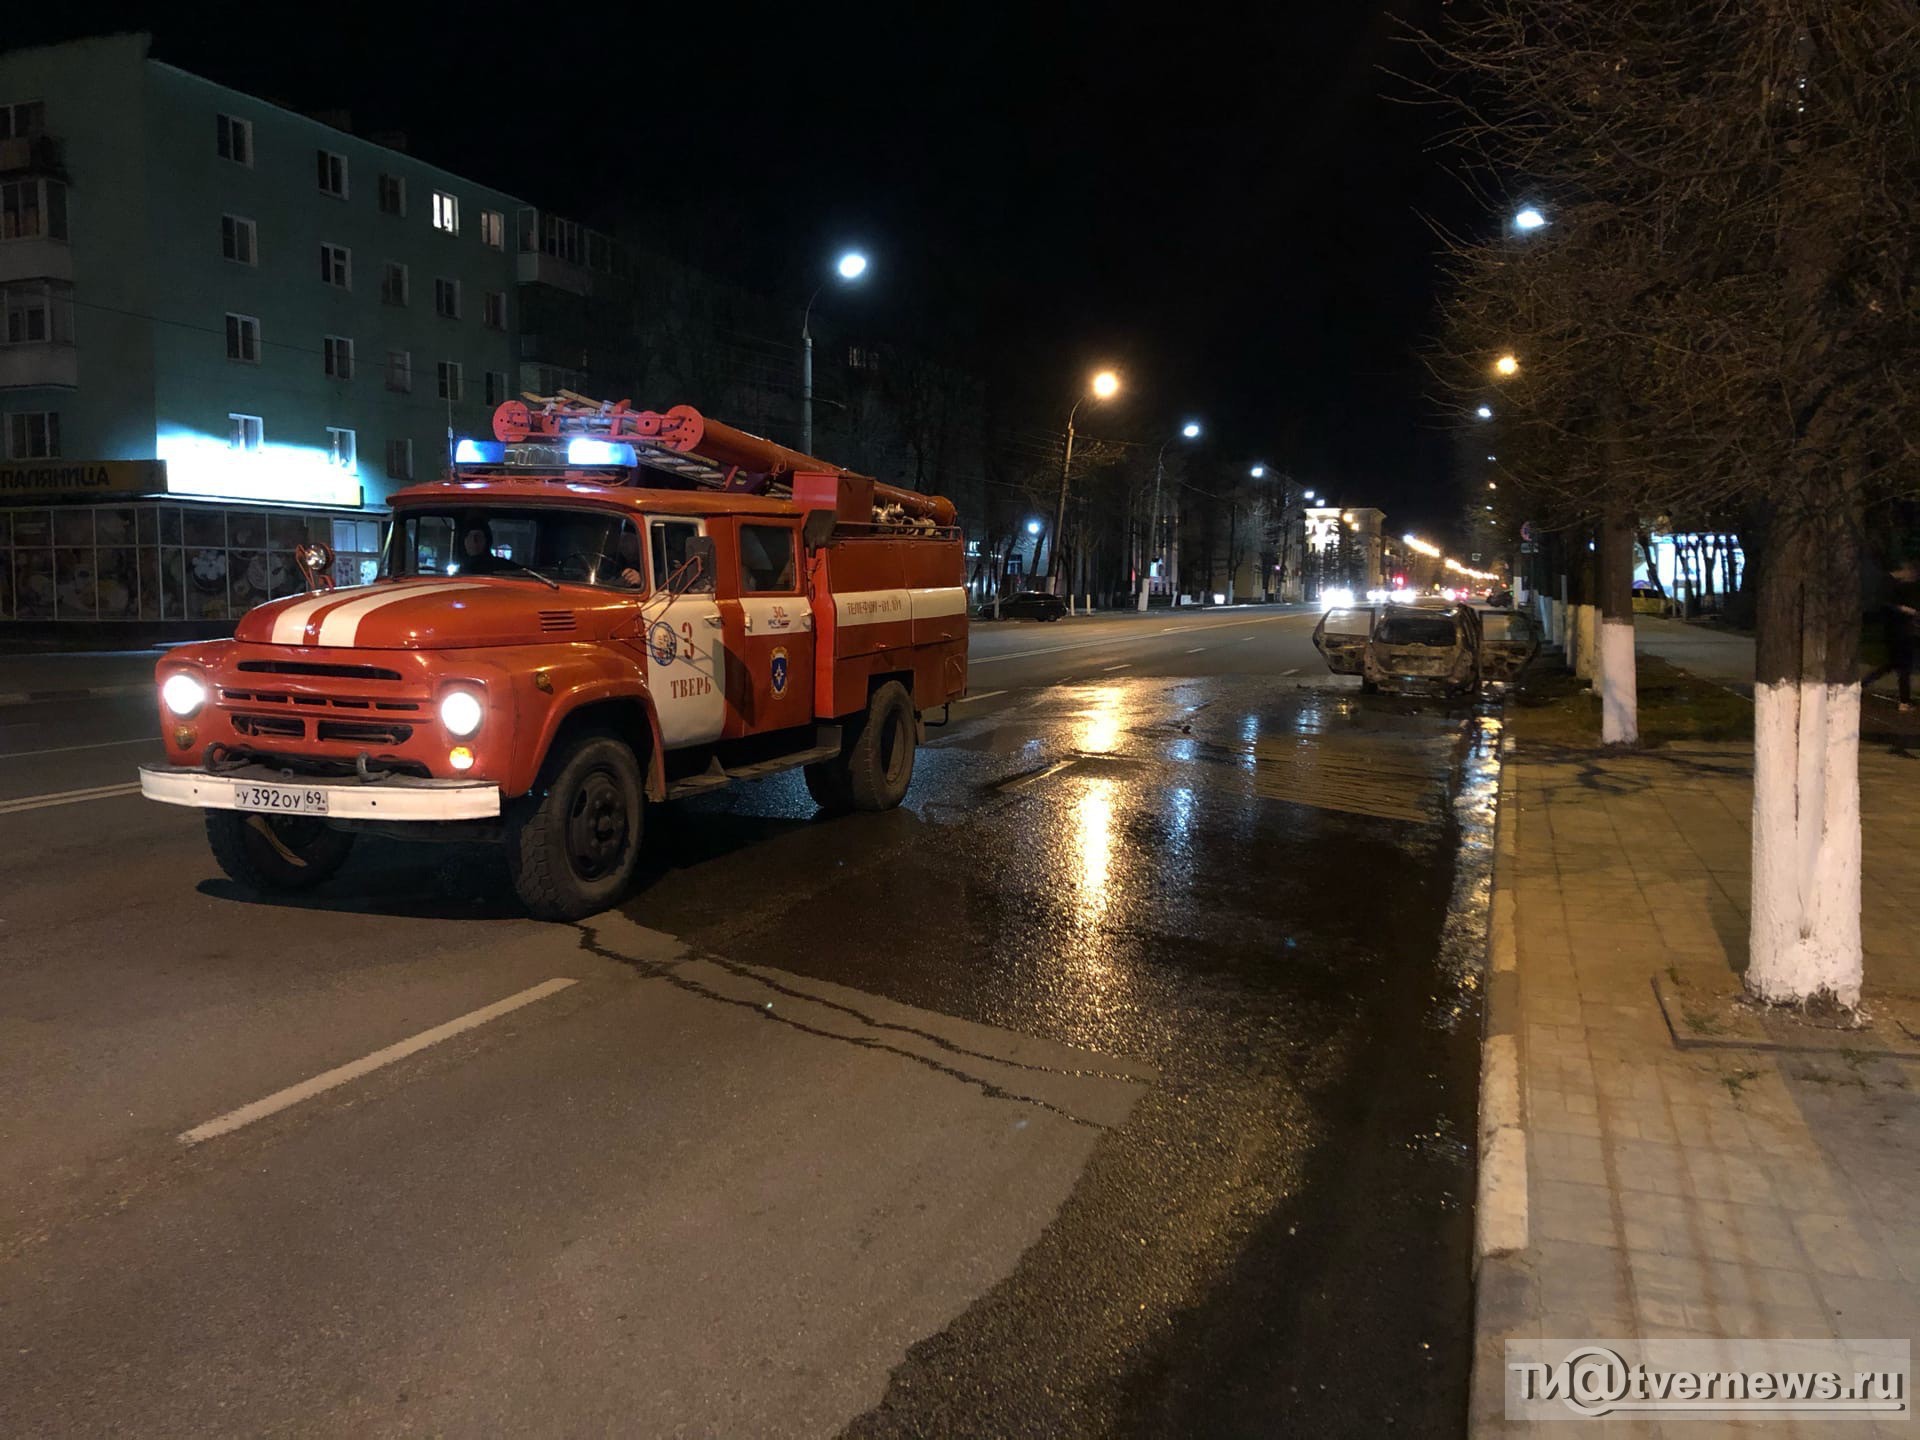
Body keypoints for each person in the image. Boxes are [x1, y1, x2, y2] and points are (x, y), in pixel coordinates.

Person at [1864, 560, 1919, 712]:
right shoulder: (1891, 586)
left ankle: (1862, 684)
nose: (1913, 576)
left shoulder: (1899, 587)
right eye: (1911, 572)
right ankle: (1904, 701)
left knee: (1893, 665)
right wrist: (1907, 610)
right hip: (1899, 633)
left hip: (1899, 632)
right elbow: (1888, 606)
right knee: (1903, 667)